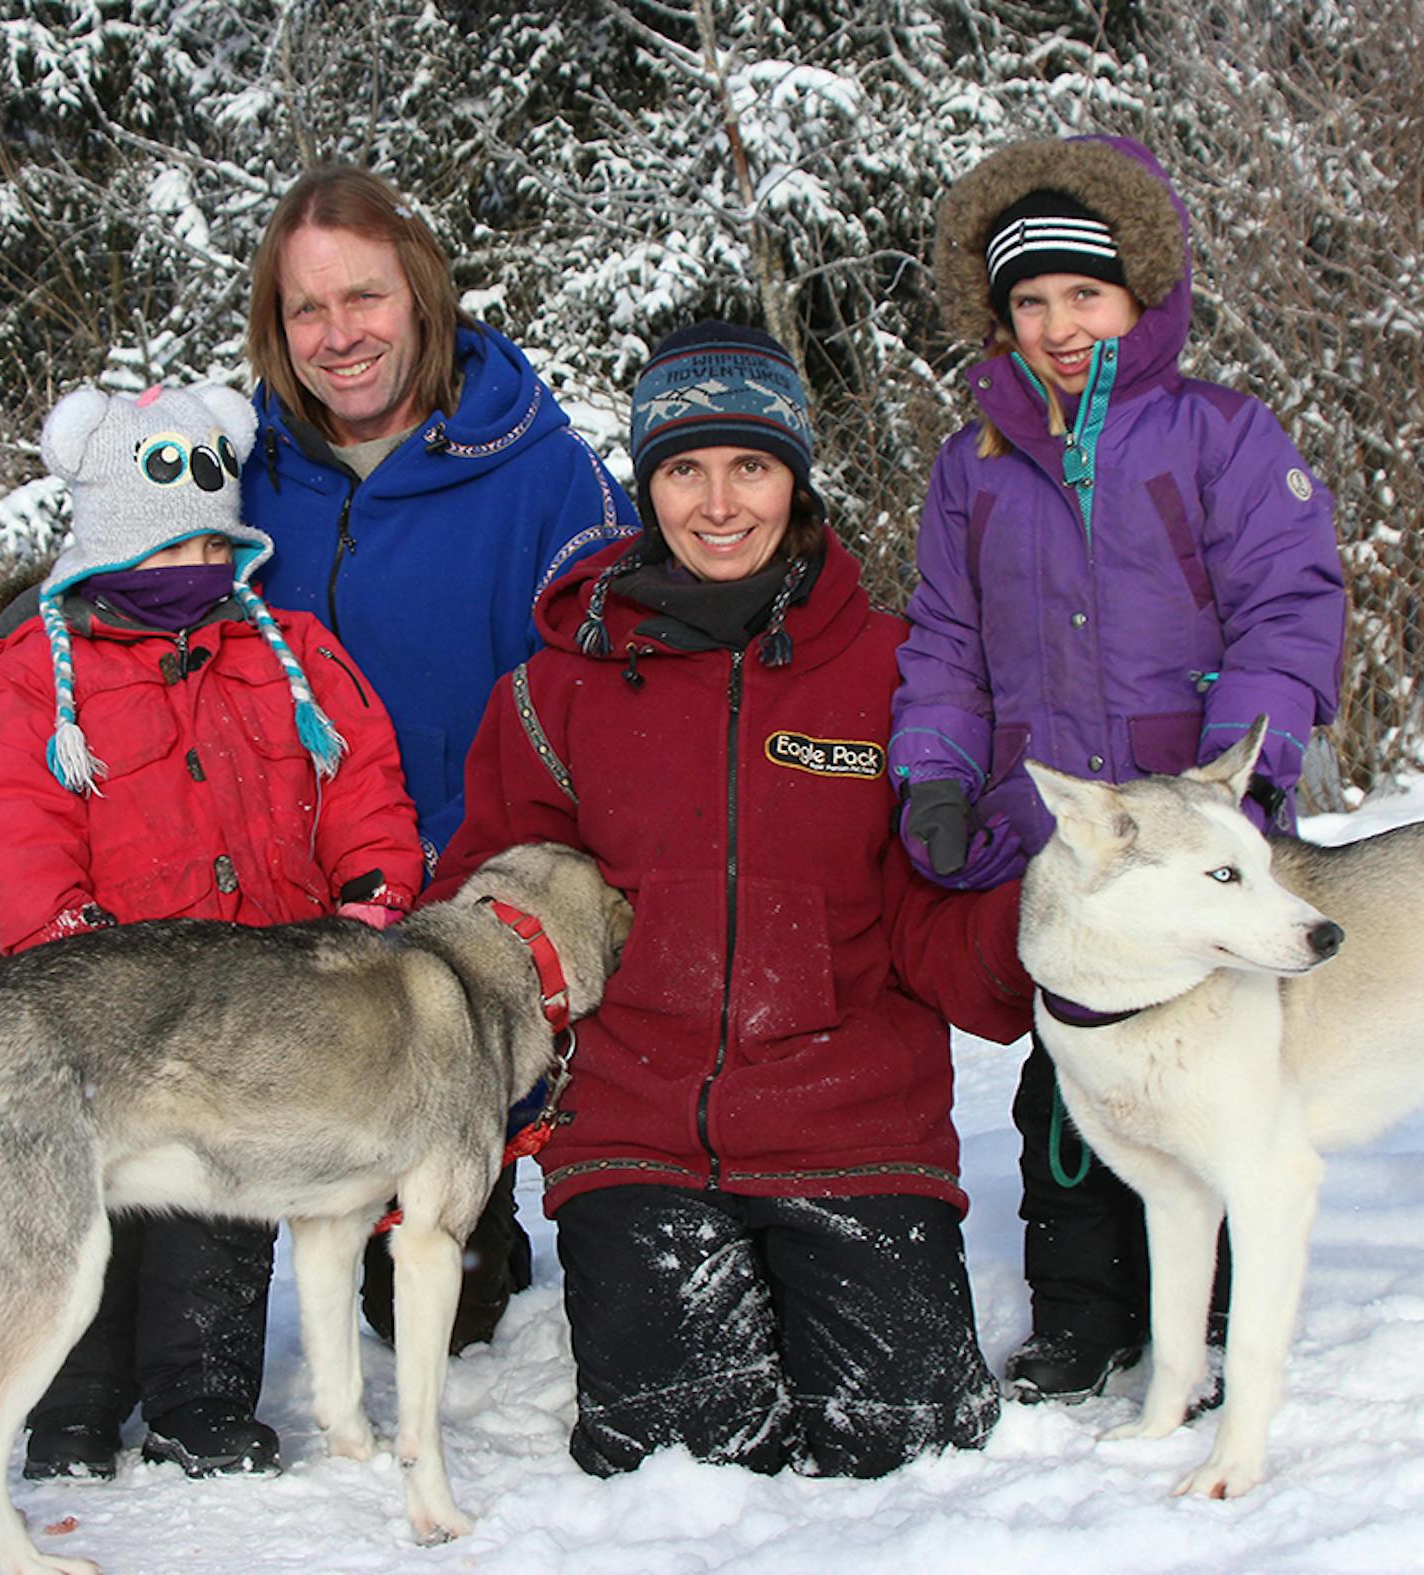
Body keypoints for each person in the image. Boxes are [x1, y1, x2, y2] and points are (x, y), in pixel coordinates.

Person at [0, 165, 638, 1493]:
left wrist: (449, 917)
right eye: (304, 309)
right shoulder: (245, 455)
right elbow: (110, 559)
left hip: (395, 915)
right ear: (269, 335)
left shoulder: (538, 477)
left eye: (364, 295)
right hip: (134, 898)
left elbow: (610, 709)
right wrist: (32, 688)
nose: (338, 331)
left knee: (436, 1297)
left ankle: (333, 1287)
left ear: (425, 296)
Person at [424, 321, 1035, 1478]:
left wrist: (1037, 938)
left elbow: (928, 915)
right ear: (645, 485)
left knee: (905, 1457)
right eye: (683, 469)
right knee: (678, 1471)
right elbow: (492, 909)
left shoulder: (899, 674)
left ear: (795, 477)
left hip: (855, 1133)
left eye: (749, 465)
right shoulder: (556, 695)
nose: (718, 502)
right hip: (636, 1138)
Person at [888, 135, 1347, 1405]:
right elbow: (944, 643)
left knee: (1209, 1058)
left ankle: (1202, 1318)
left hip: (1193, 835)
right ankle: (1081, 1315)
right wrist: (932, 769)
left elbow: (1290, 610)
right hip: (1072, 847)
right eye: (1029, 302)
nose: (1058, 324)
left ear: (1140, 295)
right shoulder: (970, 471)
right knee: (1073, 1079)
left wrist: (1239, 794)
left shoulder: (1223, 438)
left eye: (1083, 295)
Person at [0, 381, 419, 1479]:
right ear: (106, 551)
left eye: (213, 550)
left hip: (259, 988)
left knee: (222, 1196)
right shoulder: (40, 678)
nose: (195, 575)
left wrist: (371, 890)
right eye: (167, 553)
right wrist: (66, 942)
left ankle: (202, 1395)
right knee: (83, 1199)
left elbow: (366, 783)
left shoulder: (290, 649)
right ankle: (71, 1401)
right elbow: (16, 823)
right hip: (106, 993)